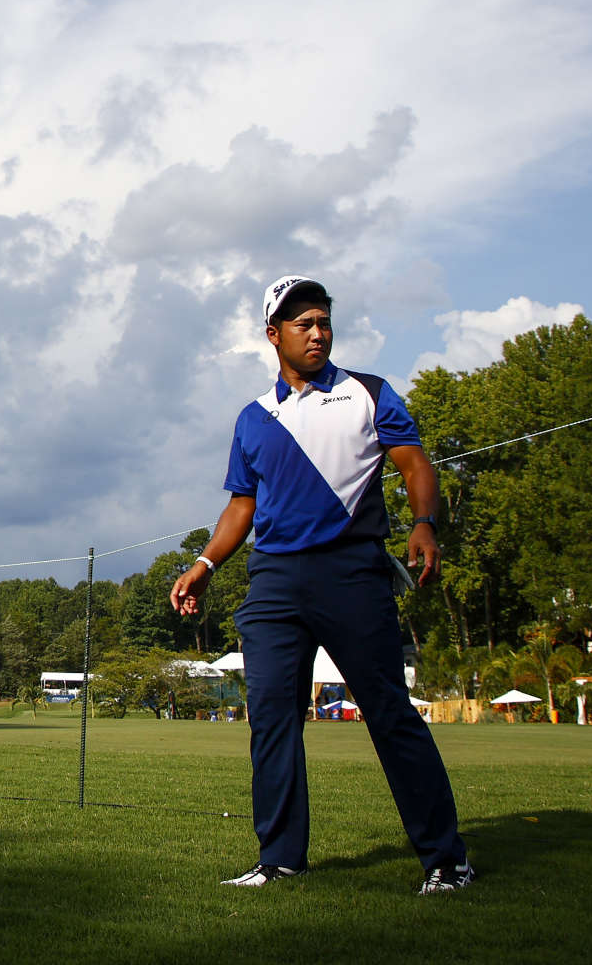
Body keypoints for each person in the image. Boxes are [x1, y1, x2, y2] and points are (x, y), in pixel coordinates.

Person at [171, 275, 474, 896]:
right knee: (273, 718)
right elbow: (241, 507)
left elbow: (414, 461)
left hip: (352, 571)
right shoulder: (255, 418)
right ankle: (279, 859)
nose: (317, 333)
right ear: (272, 334)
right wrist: (203, 564)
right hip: (274, 580)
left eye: (323, 321)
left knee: (390, 713)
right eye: (302, 323)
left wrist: (424, 523)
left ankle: (446, 860)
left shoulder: (369, 393)